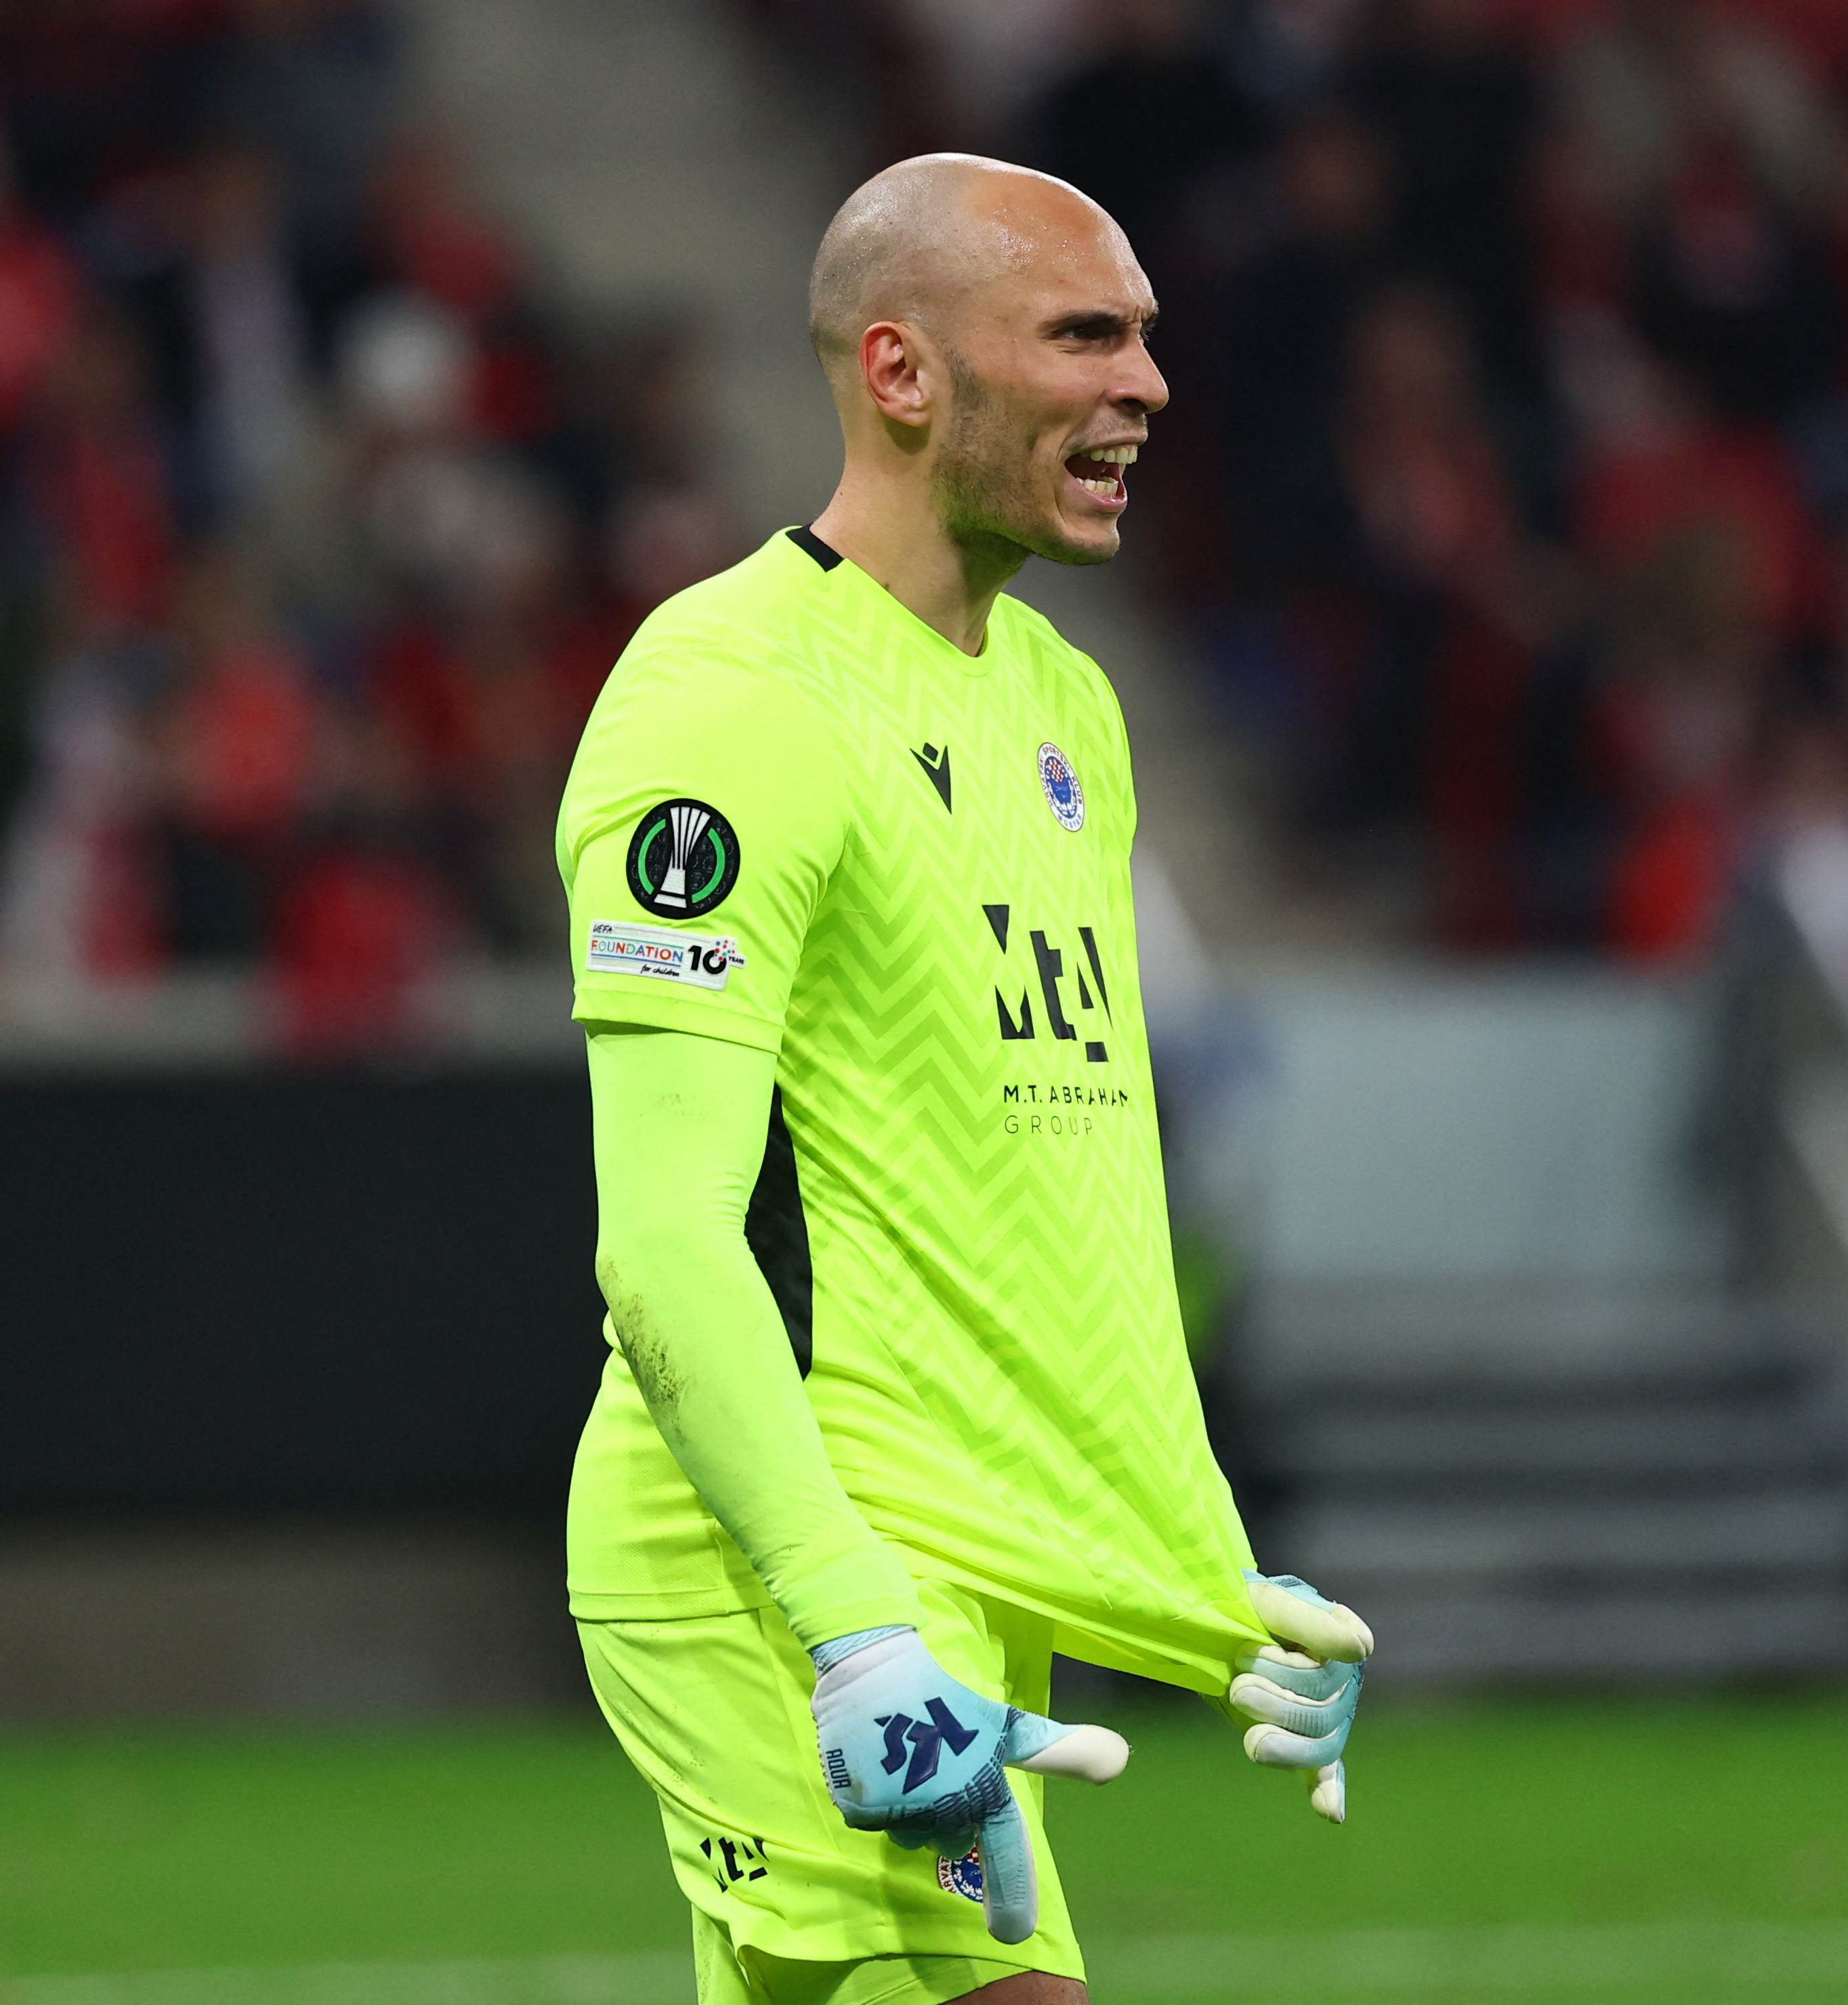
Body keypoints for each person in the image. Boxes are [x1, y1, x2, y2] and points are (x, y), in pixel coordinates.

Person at [553, 154, 1372, 2005]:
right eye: (1083, 333)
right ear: (904, 374)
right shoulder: (727, 696)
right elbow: (669, 1246)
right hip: (768, 1558)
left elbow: (1040, 1220)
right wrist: (848, 1635)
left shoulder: (1066, 710)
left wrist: (1201, 1574)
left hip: (962, 1568)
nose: (1144, 385)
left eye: (1148, 340)